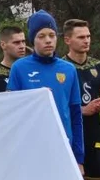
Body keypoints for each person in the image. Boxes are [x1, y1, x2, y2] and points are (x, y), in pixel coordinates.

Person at [7, 11, 84, 167]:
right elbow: (12, 113)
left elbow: (75, 114)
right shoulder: (19, 68)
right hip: (30, 148)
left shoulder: (69, 69)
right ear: (32, 40)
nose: (48, 40)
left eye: (51, 35)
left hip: (63, 147)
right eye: (41, 36)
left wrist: (79, 156)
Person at [62, 19, 100, 180]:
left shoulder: (98, 66)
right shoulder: (61, 67)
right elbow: (57, 103)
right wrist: (83, 109)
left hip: (93, 131)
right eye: (81, 37)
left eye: (88, 36)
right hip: (70, 131)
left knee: (95, 179)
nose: (86, 41)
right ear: (67, 40)